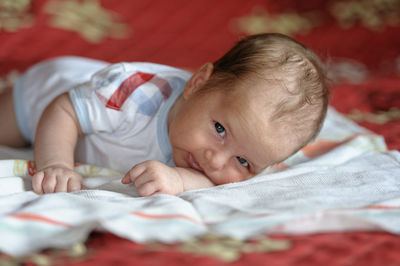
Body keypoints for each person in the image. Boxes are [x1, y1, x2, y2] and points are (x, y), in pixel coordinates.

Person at [0, 33, 329, 196]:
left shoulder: (231, 154)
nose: (216, 161)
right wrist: (55, 163)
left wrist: (178, 179)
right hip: (45, 93)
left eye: (243, 162)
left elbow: (206, 177)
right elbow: (64, 110)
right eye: (219, 129)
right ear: (197, 83)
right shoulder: (133, 95)